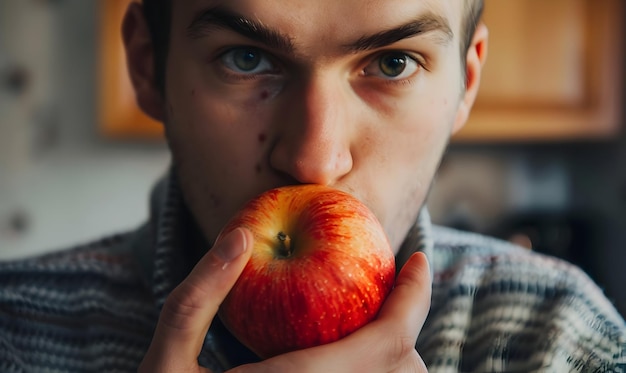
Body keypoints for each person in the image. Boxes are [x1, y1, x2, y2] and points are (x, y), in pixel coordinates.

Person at [1, 0, 624, 371]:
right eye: (245, 57)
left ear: (465, 82)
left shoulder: (557, 337)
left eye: (393, 63)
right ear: (147, 64)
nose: (315, 164)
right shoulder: (14, 334)